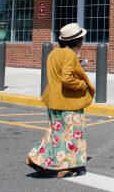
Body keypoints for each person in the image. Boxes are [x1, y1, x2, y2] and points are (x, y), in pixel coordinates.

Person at [26, 23, 95, 178]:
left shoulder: (54, 53)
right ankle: (64, 167)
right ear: (76, 40)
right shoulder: (70, 55)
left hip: (52, 99)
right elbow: (67, 79)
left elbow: (59, 72)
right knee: (70, 134)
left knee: (55, 132)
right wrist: (82, 84)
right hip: (67, 101)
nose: (83, 40)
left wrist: (79, 65)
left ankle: (36, 158)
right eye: (81, 38)